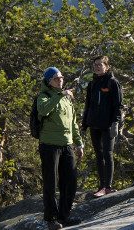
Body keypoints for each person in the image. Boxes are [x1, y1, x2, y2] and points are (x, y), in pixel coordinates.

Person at [37, 67, 84, 230]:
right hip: (49, 145)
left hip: (67, 145)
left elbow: (73, 123)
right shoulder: (44, 96)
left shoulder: (66, 98)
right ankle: (51, 219)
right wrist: (59, 95)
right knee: (51, 182)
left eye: (61, 77)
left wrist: (79, 143)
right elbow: (43, 110)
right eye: (56, 78)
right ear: (49, 81)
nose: (60, 80)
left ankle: (64, 216)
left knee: (70, 181)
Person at [82, 55, 123, 198]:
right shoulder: (92, 84)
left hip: (108, 125)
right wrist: (84, 125)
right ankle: (101, 186)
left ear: (107, 66)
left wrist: (115, 123)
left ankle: (108, 187)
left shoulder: (112, 82)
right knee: (99, 156)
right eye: (95, 65)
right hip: (94, 124)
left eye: (100, 64)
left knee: (107, 153)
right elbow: (88, 105)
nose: (97, 67)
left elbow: (118, 105)